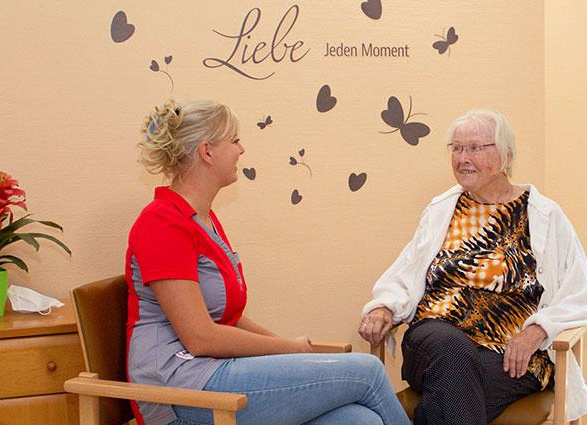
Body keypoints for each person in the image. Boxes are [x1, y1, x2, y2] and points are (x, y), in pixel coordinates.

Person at [127, 99, 409, 425]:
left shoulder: (204, 221)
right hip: (179, 389)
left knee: (360, 421)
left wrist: (285, 348)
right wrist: (289, 348)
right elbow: (200, 337)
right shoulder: (161, 222)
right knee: (368, 371)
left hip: (210, 374)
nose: (242, 149)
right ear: (207, 151)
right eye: (234, 141)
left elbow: (228, 317)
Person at [358, 109, 587, 424]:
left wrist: (538, 331)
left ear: (506, 156)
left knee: (449, 394)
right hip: (434, 340)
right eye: (456, 149)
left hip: (511, 357)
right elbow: (406, 272)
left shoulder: (545, 215)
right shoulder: (442, 209)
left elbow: (578, 294)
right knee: (453, 354)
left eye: (474, 148)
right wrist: (384, 307)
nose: (462, 158)